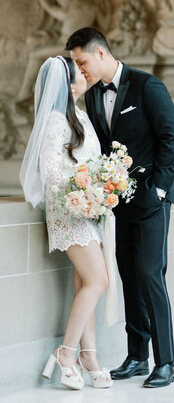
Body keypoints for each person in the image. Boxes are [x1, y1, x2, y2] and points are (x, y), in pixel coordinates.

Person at [65, 26, 174, 389]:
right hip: (118, 205)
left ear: (100, 53)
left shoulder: (148, 86)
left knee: (150, 275)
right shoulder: (93, 96)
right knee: (129, 277)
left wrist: (159, 192)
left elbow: (171, 140)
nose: (80, 69)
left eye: (82, 62)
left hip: (151, 201)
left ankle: (166, 362)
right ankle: (136, 356)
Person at [19, 55, 112, 390]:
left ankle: (90, 356)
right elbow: (53, 173)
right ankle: (66, 353)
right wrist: (83, 192)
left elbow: (92, 164)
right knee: (98, 281)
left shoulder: (82, 118)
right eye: (80, 73)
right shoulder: (55, 121)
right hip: (69, 211)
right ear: (70, 84)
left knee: (85, 283)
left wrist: (103, 186)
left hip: (88, 209)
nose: (85, 75)